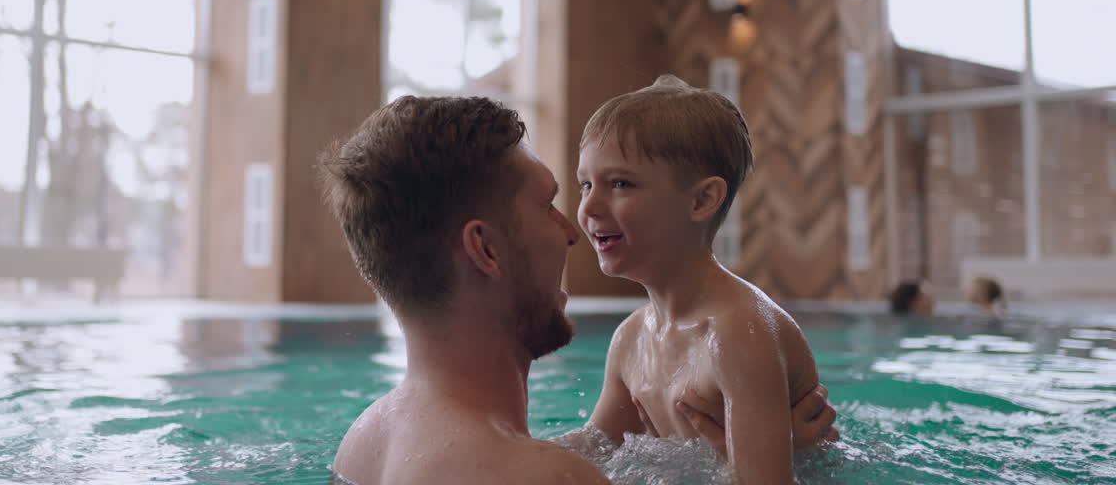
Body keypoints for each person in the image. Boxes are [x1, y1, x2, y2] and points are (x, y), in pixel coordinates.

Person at [320, 95, 835, 485]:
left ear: (702, 200)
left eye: (622, 184)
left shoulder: (363, 444)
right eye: (551, 203)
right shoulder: (549, 473)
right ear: (486, 249)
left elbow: (598, 443)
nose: (576, 225)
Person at [575, 75, 830, 485]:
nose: (589, 206)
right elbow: (598, 448)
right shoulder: (631, 338)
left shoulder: (737, 335)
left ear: (701, 200)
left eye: (620, 183)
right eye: (585, 184)